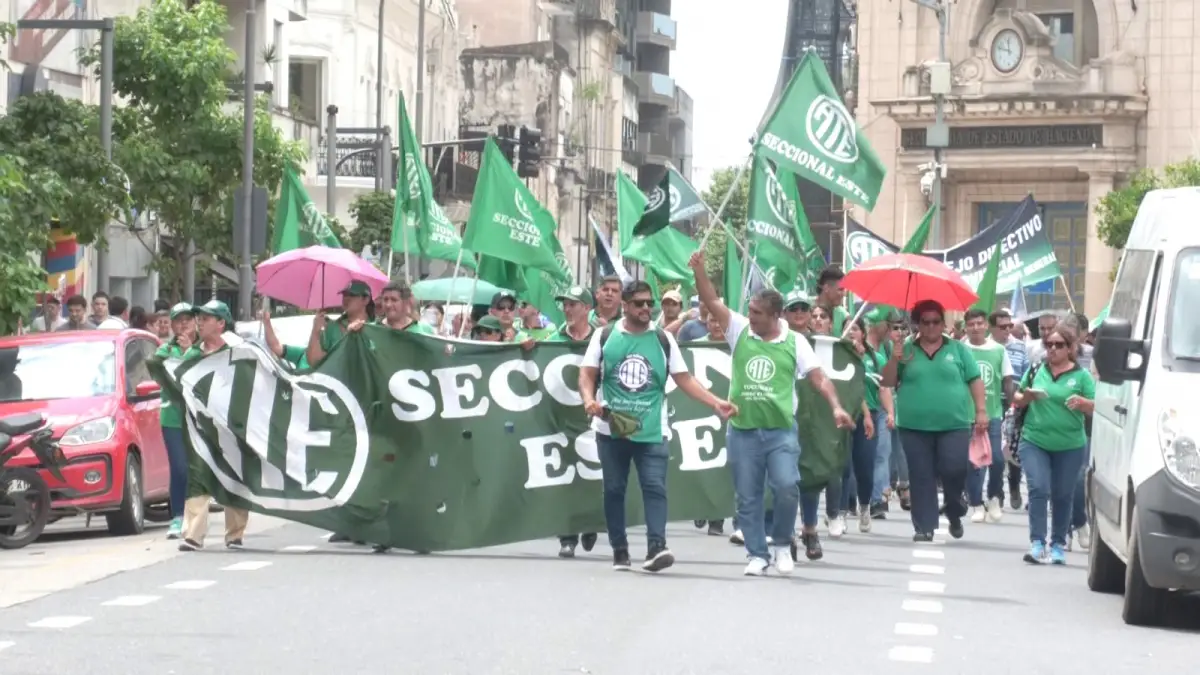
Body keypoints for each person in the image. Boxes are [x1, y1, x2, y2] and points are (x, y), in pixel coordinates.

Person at [691, 252, 852, 576]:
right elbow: (710, 299)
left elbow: (819, 377)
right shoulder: (739, 330)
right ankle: (757, 554)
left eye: (757, 314)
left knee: (786, 486)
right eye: (750, 311)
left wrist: (835, 406)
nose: (750, 317)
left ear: (776, 316)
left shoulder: (795, 343)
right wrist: (700, 270)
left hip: (780, 432)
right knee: (748, 496)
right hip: (743, 430)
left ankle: (781, 543)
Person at [578, 279, 736, 573]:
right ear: (625, 305)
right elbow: (587, 374)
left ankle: (656, 546)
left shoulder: (663, 339)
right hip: (612, 429)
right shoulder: (604, 336)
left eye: (649, 303)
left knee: (654, 487)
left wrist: (715, 402)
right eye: (639, 303)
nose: (646, 308)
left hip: (653, 429)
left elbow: (684, 379)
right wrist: (589, 399)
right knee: (614, 489)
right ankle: (620, 549)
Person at [881, 299, 988, 542]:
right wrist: (895, 359)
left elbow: (975, 379)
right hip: (913, 425)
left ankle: (954, 506)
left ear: (942, 323)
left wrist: (981, 410)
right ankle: (924, 526)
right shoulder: (905, 349)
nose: (931, 327)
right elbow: (887, 382)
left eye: (936, 322)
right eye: (925, 322)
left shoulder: (958, 349)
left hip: (954, 424)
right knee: (921, 475)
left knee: (954, 468)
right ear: (917, 324)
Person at [1012, 325, 1094, 565]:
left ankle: (1058, 543)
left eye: (1059, 345)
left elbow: (1096, 404)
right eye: (1049, 345)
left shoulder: (1081, 376)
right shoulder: (1037, 369)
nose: (1053, 349)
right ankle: (1037, 542)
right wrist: (1025, 397)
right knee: (1038, 488)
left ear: (1071, 348)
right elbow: (1017, 396)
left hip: (1070, 445)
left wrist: (1082, 402)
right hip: (1035, 440)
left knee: (1063, 494)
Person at [178, 300, 251, 552]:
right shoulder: (193, 354)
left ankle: (235, 534)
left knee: (234, 477)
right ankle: (193, 535)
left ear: (221, 323)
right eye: (200, 317)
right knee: (198, 476)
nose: (200, 322)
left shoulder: (237, 353)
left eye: (207, 318)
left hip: (232, 427)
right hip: (201, 428)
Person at [544, 286, 600, 557]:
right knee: (565, 477)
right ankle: (567, 536)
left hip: (593, 418)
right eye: (565, 304)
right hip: (562, 419)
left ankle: (590, 523)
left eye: (573, 304)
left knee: (592, 476)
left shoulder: (602, 339)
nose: (567, 309)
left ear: (587, 309)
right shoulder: (552, 339)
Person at [962, 308, 1015, 524]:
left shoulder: (999, 351)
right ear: (966, 327)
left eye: (979, 323)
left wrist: (1013, 404)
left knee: (997, 458)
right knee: (972, 462)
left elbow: (1008, 380)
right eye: (971, 324)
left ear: (986, 326)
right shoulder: (960, 349)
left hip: (992, 413)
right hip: (965, 414)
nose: (975, 328)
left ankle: (994, 496)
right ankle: (976, 503)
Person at [153, 303, 196, 540]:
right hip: (172, 418)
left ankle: (196, 514)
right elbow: (157, 367)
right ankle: (178, 515)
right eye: (178, 321)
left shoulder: (201, 349)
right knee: (179, 467)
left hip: (199, 419)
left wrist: (190, 351)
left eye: (187, 320)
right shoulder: (165, 351)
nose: (183, 325)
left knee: (197, 468)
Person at [306, 281, 374, 367]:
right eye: (344, 295)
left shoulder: (376, 327)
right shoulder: (332, 327)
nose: (346, 298)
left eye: (352, 295)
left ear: (366, 300)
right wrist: (315, 331)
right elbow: (314, 362)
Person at [815, 267, 849, 335]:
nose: (844, 294)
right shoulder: (804, 310)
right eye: (840, 289)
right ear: (826, 288)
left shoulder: (844, 316)